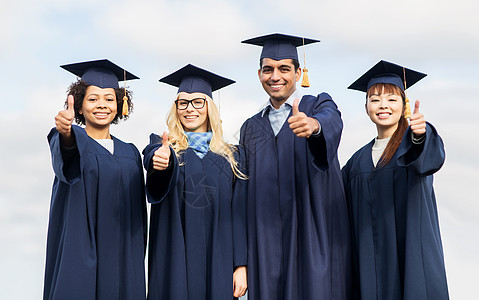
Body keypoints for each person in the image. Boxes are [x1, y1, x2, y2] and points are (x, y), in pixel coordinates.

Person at [240, 33, 351, 300]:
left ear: (299, 72)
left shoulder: (316, 105)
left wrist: (314, 127)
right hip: (265, 248)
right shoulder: (250, 128)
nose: (275, 76)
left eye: (284, 69)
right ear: (259, 74)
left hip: (311, 239)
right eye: (268, 69)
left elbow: (331, 121)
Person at [343, 60, 449, 299]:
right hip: (369, 270)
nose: (383, 106)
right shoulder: (356, 162)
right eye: (375, 99)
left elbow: (430, 156)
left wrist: (421, 135)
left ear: (404, 106)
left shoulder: (412, 144)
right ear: (366, 106)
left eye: (392, 99)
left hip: (410, 262)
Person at [143, 64, 248, 300]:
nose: (189, 109)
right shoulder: (164, 147)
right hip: (174, 260)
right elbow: (153, 162)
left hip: (218, 260)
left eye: (197, 102)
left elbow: (239, 213)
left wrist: (241, 265)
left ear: (209, 106)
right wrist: (160, 162)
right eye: (183, 103)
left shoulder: (232, 156)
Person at [44, 59, 147, 300]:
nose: (102, 105)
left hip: (123, 256)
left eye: (109, 99)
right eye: (93, 99)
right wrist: (67, 133)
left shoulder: (130, 153)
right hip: (79, 253)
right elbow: (68, 156)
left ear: (119, 105)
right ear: (79, 106)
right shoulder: (73, 141)